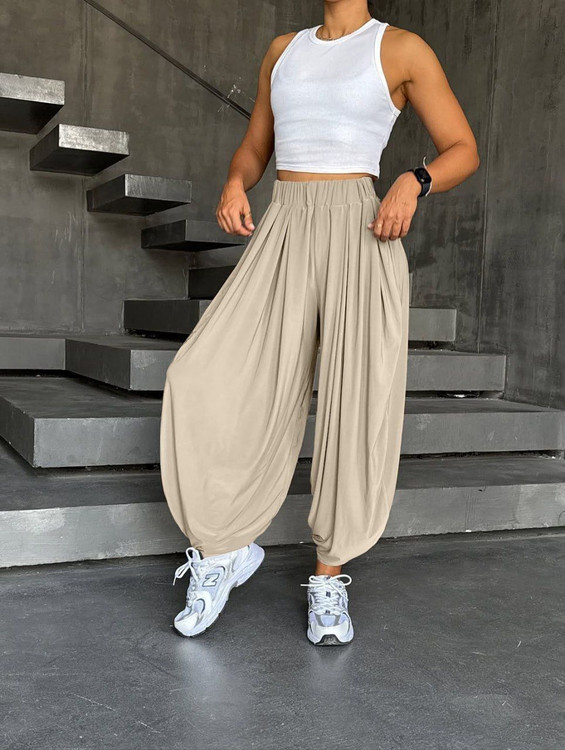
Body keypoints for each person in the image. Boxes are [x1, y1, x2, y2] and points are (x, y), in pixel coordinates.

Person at [160, 0, 479, 645]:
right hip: (285, 227)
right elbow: (256, 148)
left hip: (361, 234)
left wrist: (414, 181)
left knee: (353, 405)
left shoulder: (401, 49)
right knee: (198, 377)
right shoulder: (284, 51)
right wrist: (235, 182)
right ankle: (223, 549)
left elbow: (463, 149)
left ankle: (329, 576)